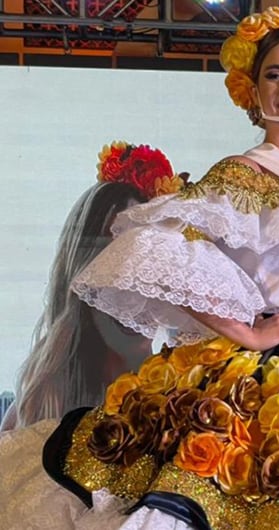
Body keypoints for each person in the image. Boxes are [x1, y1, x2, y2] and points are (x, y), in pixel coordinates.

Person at [0, 6, 279, 529]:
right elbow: (159, 251)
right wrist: (251, 333)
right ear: (253, 93)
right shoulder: (241, 173)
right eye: (274, 75)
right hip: (275, 375)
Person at [1, 144, 186, 431]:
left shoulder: (187, 400)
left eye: (146, 258)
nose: (131, 288)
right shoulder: (36, 407)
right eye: (112, 261)